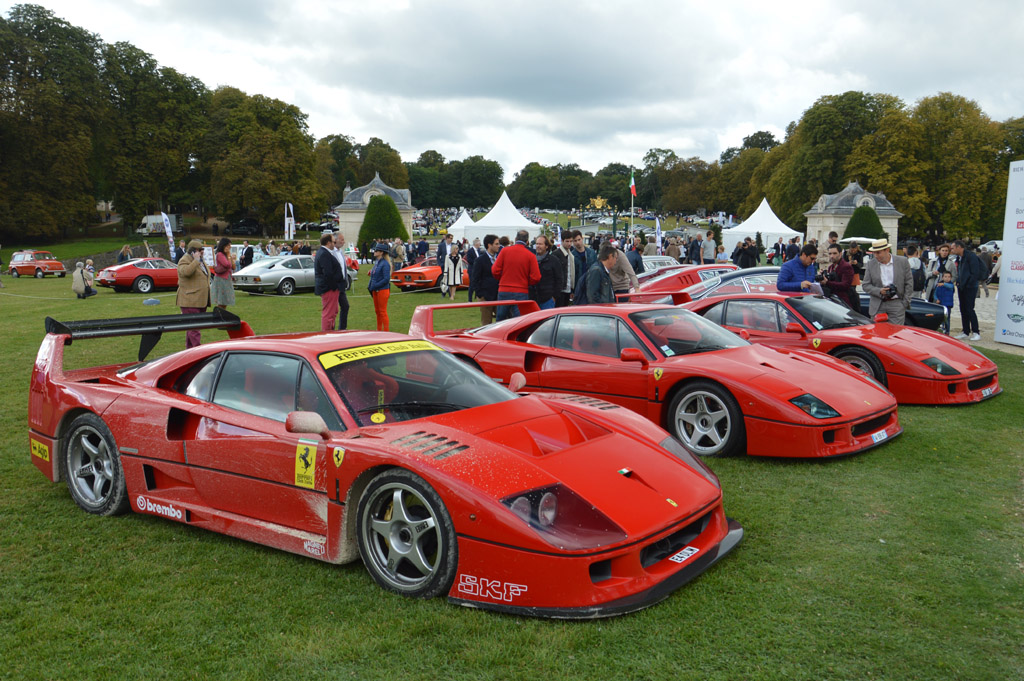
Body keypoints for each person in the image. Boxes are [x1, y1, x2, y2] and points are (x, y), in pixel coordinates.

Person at [491, 230, 540, 321]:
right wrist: (526, 282)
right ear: (527, 242)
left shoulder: (504, 251)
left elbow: (495, 270)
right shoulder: (531, 255)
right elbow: (536, 277)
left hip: (504, 289)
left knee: (500, 320)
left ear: (515, 239)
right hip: (521, 291)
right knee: (519, 321)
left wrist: (502, 279)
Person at [861, 238, 912, 325]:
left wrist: (904, 303)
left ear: (887, 250)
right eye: (874, 253)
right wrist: (879, 291)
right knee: (878, 332)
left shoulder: (902, 262)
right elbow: (865, 285)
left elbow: (909, 283)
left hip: (897, 304)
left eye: (878, 253)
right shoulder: (871, 264)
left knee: (896, 332)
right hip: (878, 305)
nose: (876, 256)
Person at [176, 240, 211, 348]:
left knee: (192, 327)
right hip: (190, 300)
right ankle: (197, 350)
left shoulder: (200, 260)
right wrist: (196, 261)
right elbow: (186, 272)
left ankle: (190, 350)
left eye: (202, 249)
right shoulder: (184, 260)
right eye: (200, 250)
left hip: (199, 300)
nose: (202, 252)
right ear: (193, 251)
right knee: (194, 328)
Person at [950, 239, 984, 341]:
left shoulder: (971, 256)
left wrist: (968, 283)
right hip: (961, 286)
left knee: (969, 309)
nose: (952, 250)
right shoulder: (959, 258)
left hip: (970, 286)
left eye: (953, 248)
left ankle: (976, 332)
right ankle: (965, 331)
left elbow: (975, 272)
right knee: (963, 309)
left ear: (959, 247)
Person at [314, 233, 346, 332]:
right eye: (333, 242)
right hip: (329, 288)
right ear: (328, 243)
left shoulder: (325, 252)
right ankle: (326, 334)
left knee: (333, 311)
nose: (334, 243)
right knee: (329, 313)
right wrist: (335, 286)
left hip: (331, 288)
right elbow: (328, 273)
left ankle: (330, 332)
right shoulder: (324, 254)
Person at [472, 234, 501, 324]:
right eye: (496, 244)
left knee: (502, 321)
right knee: (486, 322)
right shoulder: (480, 260)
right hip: (485, 296)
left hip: (499, 295)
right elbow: (475, 278)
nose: (498, 246)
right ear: (489, 245)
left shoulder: (500, 258)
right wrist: (480, 295)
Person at [530, 235, 563, 310]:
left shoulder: (554, 260)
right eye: (537, 244)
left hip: (547, 300)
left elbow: (559, 279)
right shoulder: (531, 259)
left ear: (546, 246)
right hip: (533, 298)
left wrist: (554, 297)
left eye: (540, 244)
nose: (538, 246)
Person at [822, 244, 856, 309]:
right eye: (830, 253)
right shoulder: (830, 267)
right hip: (833, 301)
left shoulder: (846, 266)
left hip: (843, 303)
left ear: (840, 254)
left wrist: (827, 282)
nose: (832, 256)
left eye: (834, 253)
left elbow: (845, 285)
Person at [368, 243, 392, 331]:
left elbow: (386, 279)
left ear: (381, 252)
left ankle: (386, 331)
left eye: (376, 250)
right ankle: (379, 330)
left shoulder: (385, 264)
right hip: (375, 290)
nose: (374, 252)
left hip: (382, 290)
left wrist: (375, 285)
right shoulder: (377, 262)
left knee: (382, 311)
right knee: (377, 311)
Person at [211, 237, 234, 310]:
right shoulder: (220, 254)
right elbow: (227, 265)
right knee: (222, 300)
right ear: (224, 245)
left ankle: (222, 313)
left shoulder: (226, 255)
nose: (230, 247)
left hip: (227, 278)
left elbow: (233, 267)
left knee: (225, 301)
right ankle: (218, 313)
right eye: (228, 245)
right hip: (221, 279)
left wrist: (230, 257)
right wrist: (228, 256)